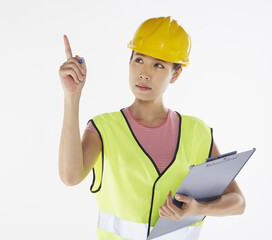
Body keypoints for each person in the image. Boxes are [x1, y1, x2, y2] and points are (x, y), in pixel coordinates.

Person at [58, 16, 246, 240]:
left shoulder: (197, 132)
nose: (144, 73)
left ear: (175, 74)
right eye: (139, 60)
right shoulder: (104, 129)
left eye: (158, 64)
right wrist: (72, 97)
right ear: (129, 62)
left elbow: (238, 202)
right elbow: (70, 177)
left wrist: (200, 208)